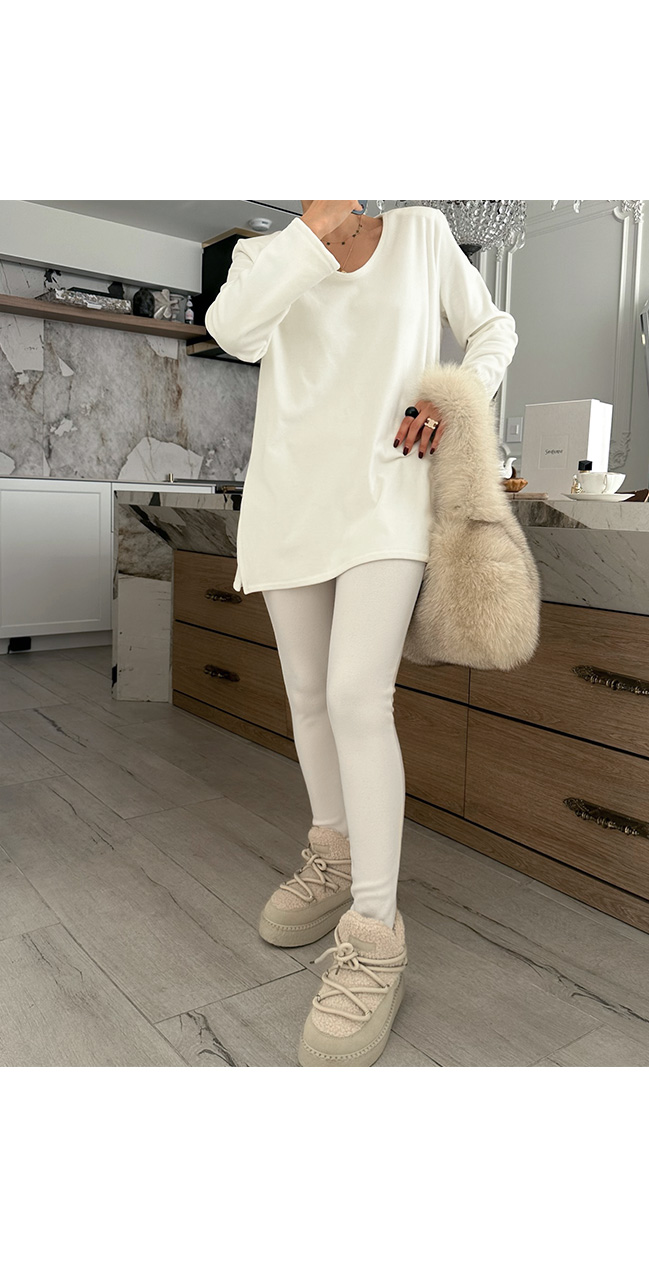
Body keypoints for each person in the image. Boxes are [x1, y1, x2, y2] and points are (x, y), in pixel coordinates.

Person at [204, 200, 518, 1067]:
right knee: (308, 694)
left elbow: (493, 328)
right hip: (287, 502)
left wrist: (452, 395)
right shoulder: (265, 255)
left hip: (388, 493)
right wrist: (312, 230)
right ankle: (332, 854)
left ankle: (375, 933)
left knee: (354, 696)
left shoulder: (421, 233)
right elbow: (233, 333)